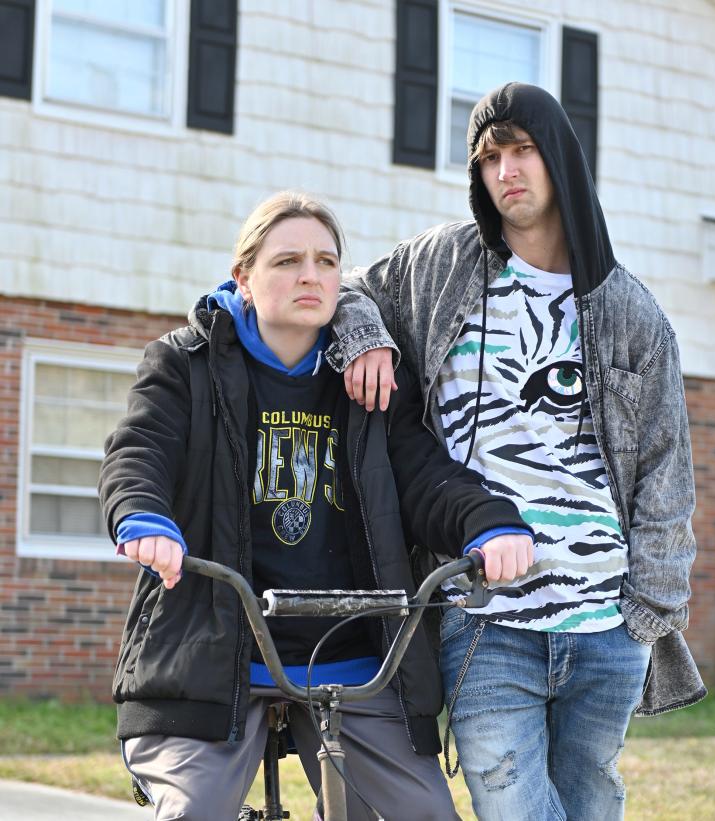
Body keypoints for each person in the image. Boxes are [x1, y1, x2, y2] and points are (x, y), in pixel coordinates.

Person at [326, 83, 705, 820]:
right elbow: (347, 289)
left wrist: (648, 608)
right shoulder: (443, 264)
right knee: (512, 806)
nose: (506, 170)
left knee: (592, 801)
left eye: (522, 149)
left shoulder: (629, 309)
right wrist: (367, 337)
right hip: (485, 615)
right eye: (490, 156)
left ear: (558, 157)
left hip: (604, 622)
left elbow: (667, 466)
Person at [98, 191, 534, 821]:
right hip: (219, 652)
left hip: (354, 658)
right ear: (243, 277)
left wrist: (488, 524)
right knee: (195, 813)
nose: (311, 275)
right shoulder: (184, 363)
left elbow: (421, 474)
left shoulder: (369, 379)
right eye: (288, 261)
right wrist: (144, 518)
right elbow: (138, 451)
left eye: (327, 262)